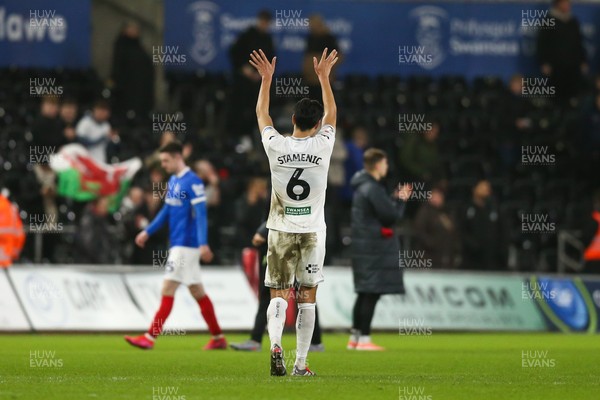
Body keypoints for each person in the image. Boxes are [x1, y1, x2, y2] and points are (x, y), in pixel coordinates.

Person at [249, 47, 338, 376]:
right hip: (313, 231)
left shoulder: (276, 145)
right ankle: (300, 363)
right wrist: (324, 78)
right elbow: (332, 113)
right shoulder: (323, 144)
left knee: (278, 293)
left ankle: (274, 345)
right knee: (307, 298)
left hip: (280, 229)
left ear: (294, 122)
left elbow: (263, 115)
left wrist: (266, 80)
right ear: (315, 125)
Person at [124, 141, 227, 350]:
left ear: (177, 157)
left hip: (186, 245)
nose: (163, 165)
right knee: (198, 292)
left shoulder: (193, 181)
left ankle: (149, 337)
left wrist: (203, 243)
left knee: (168, 287)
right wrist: (147, 231)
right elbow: (166, 212)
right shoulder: (173, 181)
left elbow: (201, 214)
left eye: (166, 160)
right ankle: (218, 338)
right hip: (179, 244)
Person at [348, 149, 411, 351]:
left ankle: (355, 338)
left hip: (364, 247)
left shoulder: (362, 186)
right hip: (373, 248)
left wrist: (390, 200)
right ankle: (364, 340)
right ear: (377, 165)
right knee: (371, 293)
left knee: (364, 292)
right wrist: (400, 200)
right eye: (385, 164)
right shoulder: (372, 188)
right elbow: (390, 216)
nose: (387, 167)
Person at [230, 222, 325, 352]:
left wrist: (262, 231)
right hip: (275, 241)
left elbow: (279, 211)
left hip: (287, 240)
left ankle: (313, 341)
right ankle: (257, 339)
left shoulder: (279, 202)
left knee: (302, 294)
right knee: (281, 294)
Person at [227, 10, 274, 141]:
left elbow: (271, 58)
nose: (265, 24)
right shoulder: (248, 35)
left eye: (267, 23)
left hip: (260, 81)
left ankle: (254, 135)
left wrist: (262, 74)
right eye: (263, 21)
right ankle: (238, 136)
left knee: (258, 108)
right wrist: (243, 68)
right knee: (240, 107)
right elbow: (234, 52)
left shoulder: (268, 39)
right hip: (243, 80)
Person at [536, 0, 587, 103]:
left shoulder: (573, 21)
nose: (568, 5)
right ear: (557, 4)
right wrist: (544, 62)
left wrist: (583, 60)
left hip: (573, 66)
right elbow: (542, 44)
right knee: (556, 97)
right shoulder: (548, 20)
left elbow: (579, 42)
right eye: (565, 3)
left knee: (573, 96)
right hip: (556, 67)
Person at [111, 21, 154, 120]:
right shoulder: (121, 46)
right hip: (127, 89)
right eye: (131, 28)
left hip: (141, 88)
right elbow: (117, 67)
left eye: (136, 29)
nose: (134, 31)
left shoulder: (139, 48)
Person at [413, 186, 461, 269]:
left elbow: (453, 231)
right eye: (435, 195)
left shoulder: (446, 213)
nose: (438, 198)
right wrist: (431, 243)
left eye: (440, 196)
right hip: (428, 256)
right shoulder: (424, 212)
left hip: (445, 256)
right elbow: (419, 231)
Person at [460, 180, 502, 270]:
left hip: (491, 259)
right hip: (470, 258)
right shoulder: (466, 208)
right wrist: (472, 244)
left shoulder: (494, 209)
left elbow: (501, 231)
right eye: (483, 187)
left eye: (488, 188)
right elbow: (461, 231)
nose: (486, 190)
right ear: (474, 189)